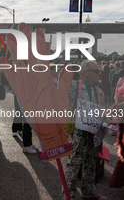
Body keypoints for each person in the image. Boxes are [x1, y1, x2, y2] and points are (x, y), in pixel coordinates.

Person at [61, 60, 108, 200]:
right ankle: (68, 194)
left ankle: (89, 191)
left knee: (91, 162)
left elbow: (102, 111)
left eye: (99, 71)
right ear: (85, 73)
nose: (99, 73)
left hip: (95, 134)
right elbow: (65, 104)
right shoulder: (75, 86)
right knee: (74, 163)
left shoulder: (99, 91)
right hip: (78, 132)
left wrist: (107, 119)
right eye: (96, 71)